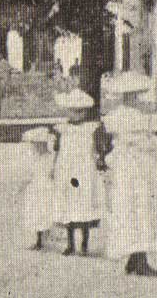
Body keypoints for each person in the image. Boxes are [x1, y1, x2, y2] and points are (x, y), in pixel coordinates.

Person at [103, 77, 157, 276]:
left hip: (135, 168)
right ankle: (137, 259)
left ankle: (136, 258)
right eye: (130, 95)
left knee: (136, 208)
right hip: (134, 168)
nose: (134, 99)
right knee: (137, 208)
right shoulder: (131, 118)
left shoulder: (130, 117)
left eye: (135, 95)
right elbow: (143, 143)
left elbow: (145, 143)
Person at [52, 89, 105, 256]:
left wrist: (97, 159)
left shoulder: (90, 129)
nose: (77, 114)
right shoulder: (63, 129)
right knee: (68, 204)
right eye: (73, 111)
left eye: (81, 111)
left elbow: (95, 149)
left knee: (84, 203)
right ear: (68, 110)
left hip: (84, 170)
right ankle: (70, 243)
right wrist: (55, 167)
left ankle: (84, 243)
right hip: (67, 170)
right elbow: (58, 150)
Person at [22, 127, 58, 251]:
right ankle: (38, 239)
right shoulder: (34, 159)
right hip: (35, 188)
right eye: (35, 144)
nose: (37, 147)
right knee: (35, 213)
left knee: (45, 212)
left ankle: (44, 237)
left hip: (46, 188)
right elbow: (30, 174)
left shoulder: (50, 158)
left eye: (39, 144)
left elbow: (53, 174)